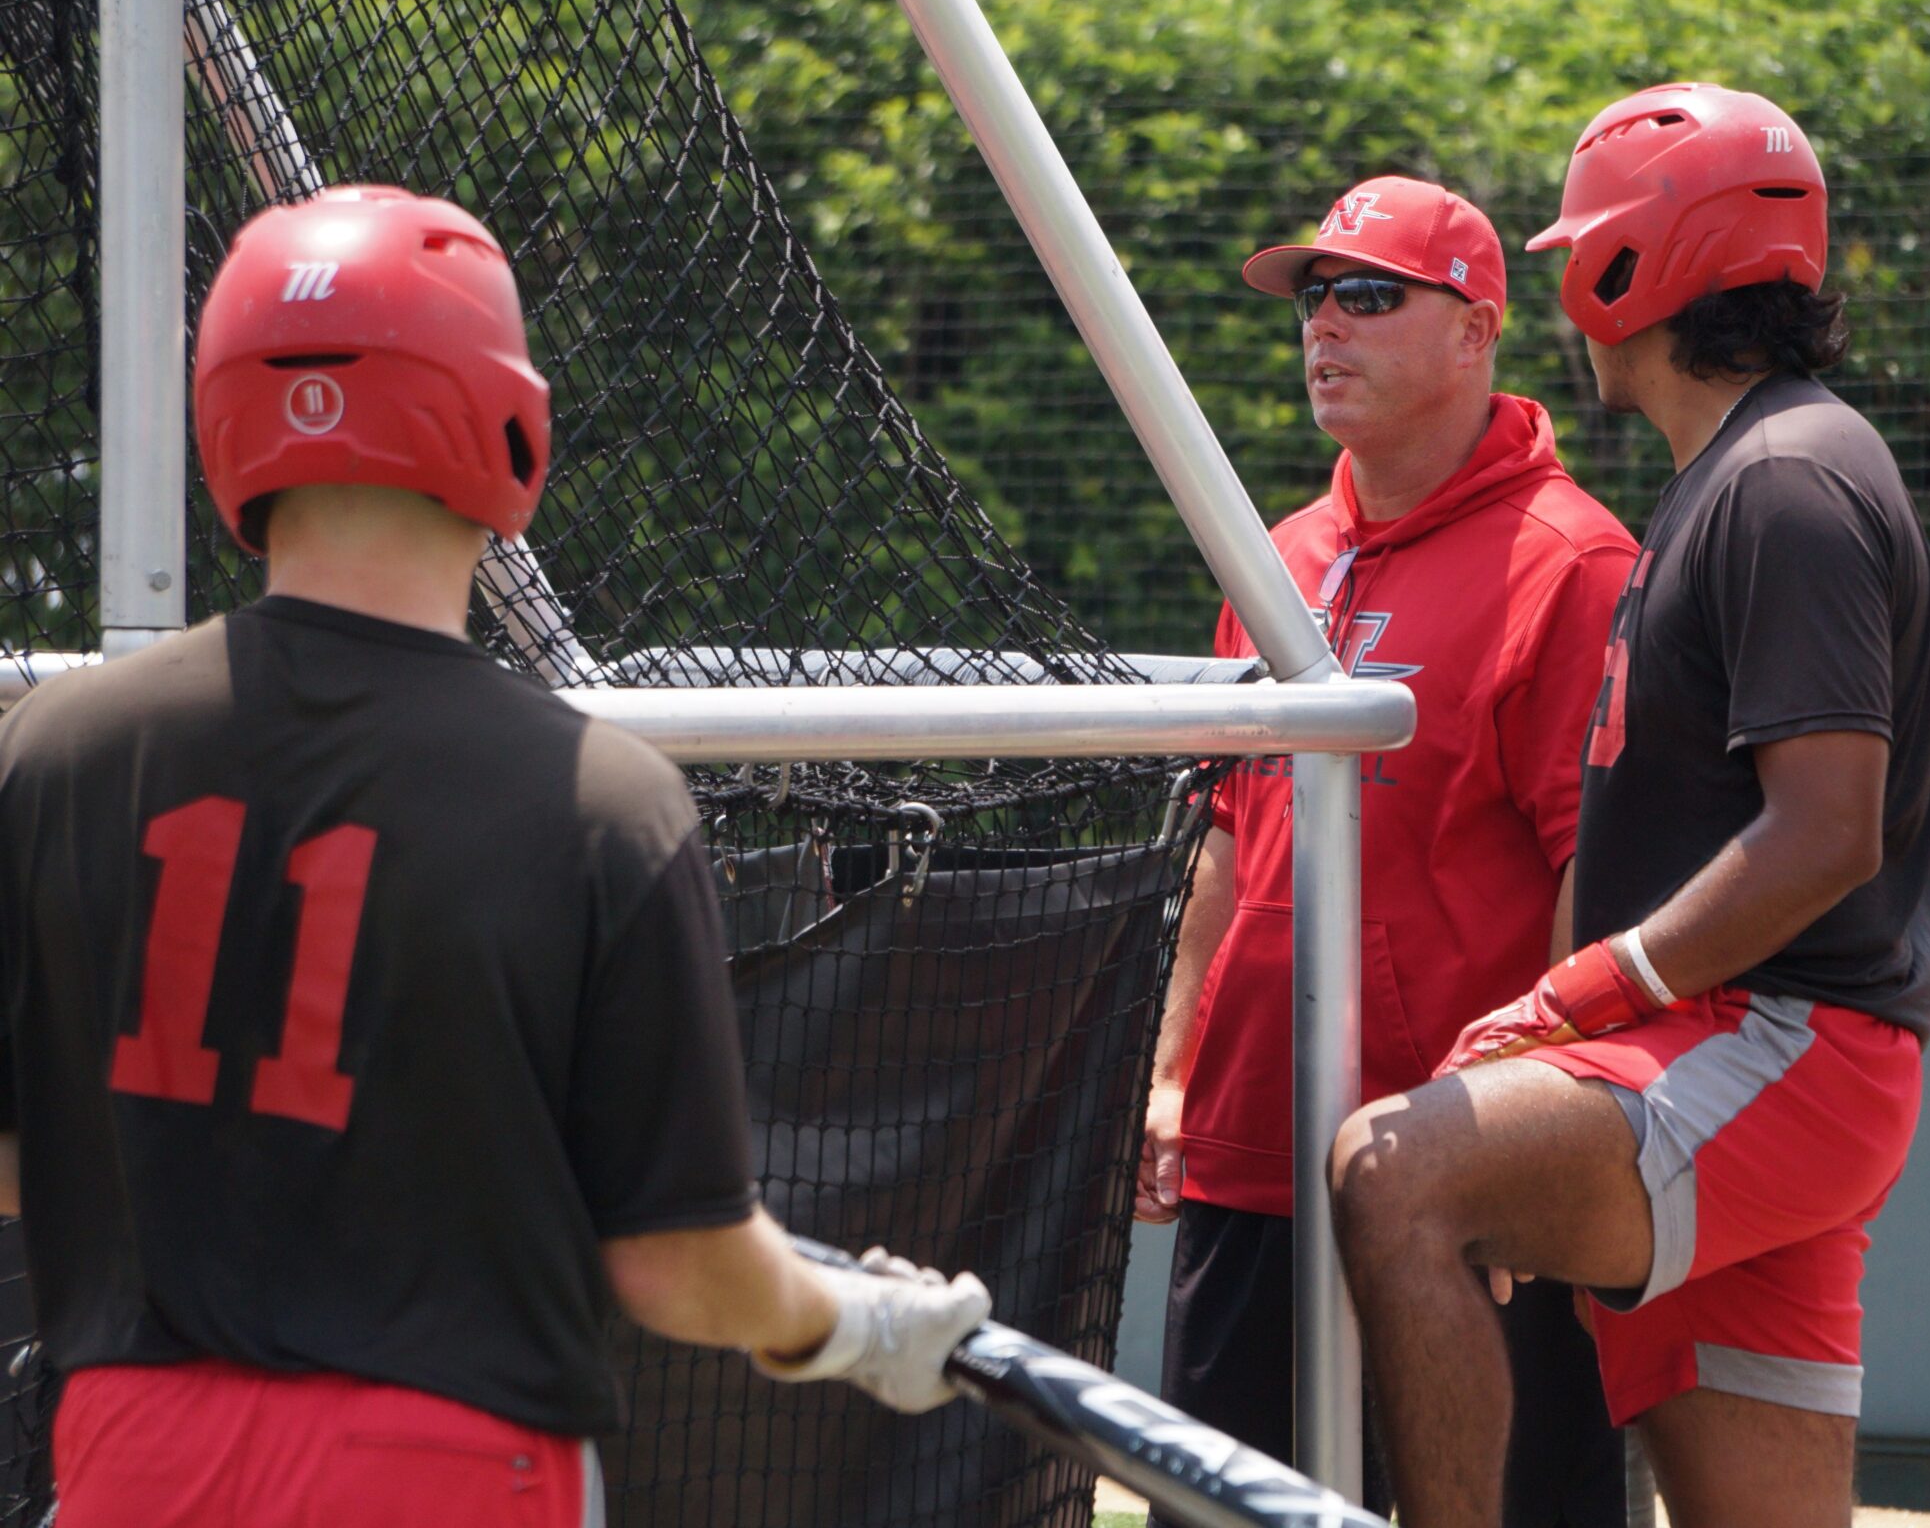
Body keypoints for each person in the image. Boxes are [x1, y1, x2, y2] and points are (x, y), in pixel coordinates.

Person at [0, 186, 990, 1528]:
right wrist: (855, 1324)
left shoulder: (48, 750)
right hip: (448, 1471)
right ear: (504, 420)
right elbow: (679, 1263)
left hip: (130, 1457)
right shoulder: (595, 799)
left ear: (225, 418)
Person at [1329, 85, 1930, 1528]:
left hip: (1778, 1042)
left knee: (1397, 1169)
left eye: (1580, 245)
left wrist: (1579, 995)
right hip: (1750, 1049)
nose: (1562, 282)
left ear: (1640, 265)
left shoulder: (1786, 477)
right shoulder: (1749, 468)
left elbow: (1823, 831)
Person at [1135, 175, 1638, 1523]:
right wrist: (1176, 1071)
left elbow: (1598, 881)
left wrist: (1542, 1142)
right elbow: (1226, 836)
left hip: (1464, 1171)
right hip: (1257, 1151)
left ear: (1479, 329)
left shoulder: (1573, 563)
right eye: (1313, 297)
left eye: (1369, 295)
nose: (1324, 328)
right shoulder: (1278, 554)